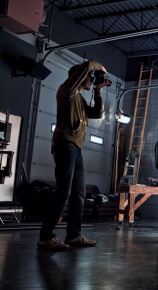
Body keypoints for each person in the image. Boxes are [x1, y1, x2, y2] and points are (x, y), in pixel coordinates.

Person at [37, 60, 109, 250]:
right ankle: (45, 237)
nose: (91, 80)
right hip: (64, 145)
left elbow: (97, 114)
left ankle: (74, 236)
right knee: (63, 192)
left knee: (79, 194)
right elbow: (85, 69)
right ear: (79, 77)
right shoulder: (67, 91)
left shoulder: (80, 99)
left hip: (76, 148)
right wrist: (97, 65)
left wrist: (98, 91)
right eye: (89, 77)